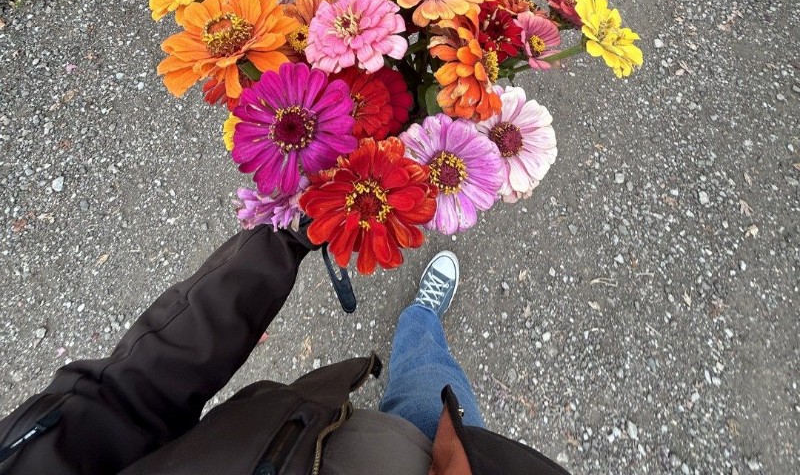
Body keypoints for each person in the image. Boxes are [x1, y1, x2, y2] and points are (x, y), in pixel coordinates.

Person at [0, 224, 572, 474]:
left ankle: (420, 318)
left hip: (313, 431)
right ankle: (420, 319)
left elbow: (130, 392)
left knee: (427, 368)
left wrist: (284, 235)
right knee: (435, 390)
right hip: (440, 461)